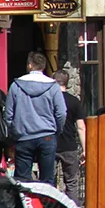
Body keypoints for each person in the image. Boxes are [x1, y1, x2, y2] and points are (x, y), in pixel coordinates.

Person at [5, 52, 67, 183]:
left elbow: (9, 115)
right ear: (43, 67)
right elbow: (61, 113)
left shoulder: (16, 86)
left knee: (22, 181)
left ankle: (26, 203)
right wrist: (57, 129)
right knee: (48, 179)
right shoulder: (53, 86)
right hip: (47, 135)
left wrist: (14, 132)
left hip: (23, 136)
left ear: (29, 65)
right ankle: (46, 203)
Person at [53, 70, 88, 206]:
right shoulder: (74, 101)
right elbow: (81, 127)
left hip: (51, 145)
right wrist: (85, 149)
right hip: (69, 146)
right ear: (67, 83)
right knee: (72, 183)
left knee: (49, 182)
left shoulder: (50, 99)